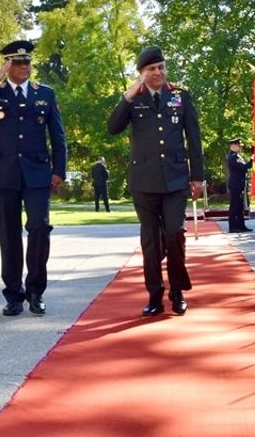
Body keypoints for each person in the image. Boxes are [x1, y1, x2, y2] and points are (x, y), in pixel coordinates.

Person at [0, 39, 67, 316]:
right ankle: (13, 294)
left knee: (39, 229)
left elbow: (57, 136)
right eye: (18, 63)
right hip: (3, 174)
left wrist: (59, 170)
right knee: (9, 236)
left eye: (28, 62)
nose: (25, 67)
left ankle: (35, 292)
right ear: (8, 65)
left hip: (37, 174)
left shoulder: (44, 94)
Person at [107, 45, 203, 317]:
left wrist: (197, 176)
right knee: (150, 242)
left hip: (175, 180)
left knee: (174, 234)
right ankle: (154, 295)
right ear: (141, 73)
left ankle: (177, 291)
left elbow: (194, 138)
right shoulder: (134, 100)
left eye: (161, 66)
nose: (158, 72)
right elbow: (112, 127)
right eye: (151, 69)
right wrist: (128, 94)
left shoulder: (180, 97)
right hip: (144, 181)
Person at [226, 139, 251, 232]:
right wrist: (252, 160)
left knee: (240, 206)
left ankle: (241, 225)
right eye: (238, 146)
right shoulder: (232, 157)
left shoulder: (237, 156)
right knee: (234, 206)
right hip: (235, 184)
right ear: (232, 146)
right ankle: (232, 227)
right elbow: (243, 167)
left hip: (239, 183)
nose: (240, 147)